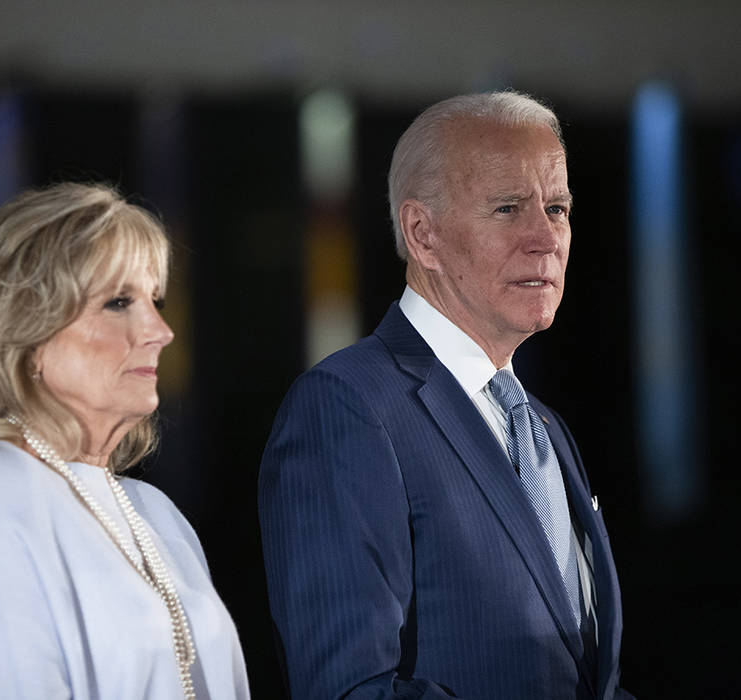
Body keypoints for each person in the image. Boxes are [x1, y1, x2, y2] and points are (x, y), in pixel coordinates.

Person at [259, 92, 635, 699]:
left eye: (558, 208)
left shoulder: (543, 427)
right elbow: (349, 690)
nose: (546, 237)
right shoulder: (347, 408)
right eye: (509, 208)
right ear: (422, 234)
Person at [0, 182, 250, 699]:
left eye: (154, 301)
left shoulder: (153, 511)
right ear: (25, 332)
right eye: (118, 302)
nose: (161, 330)